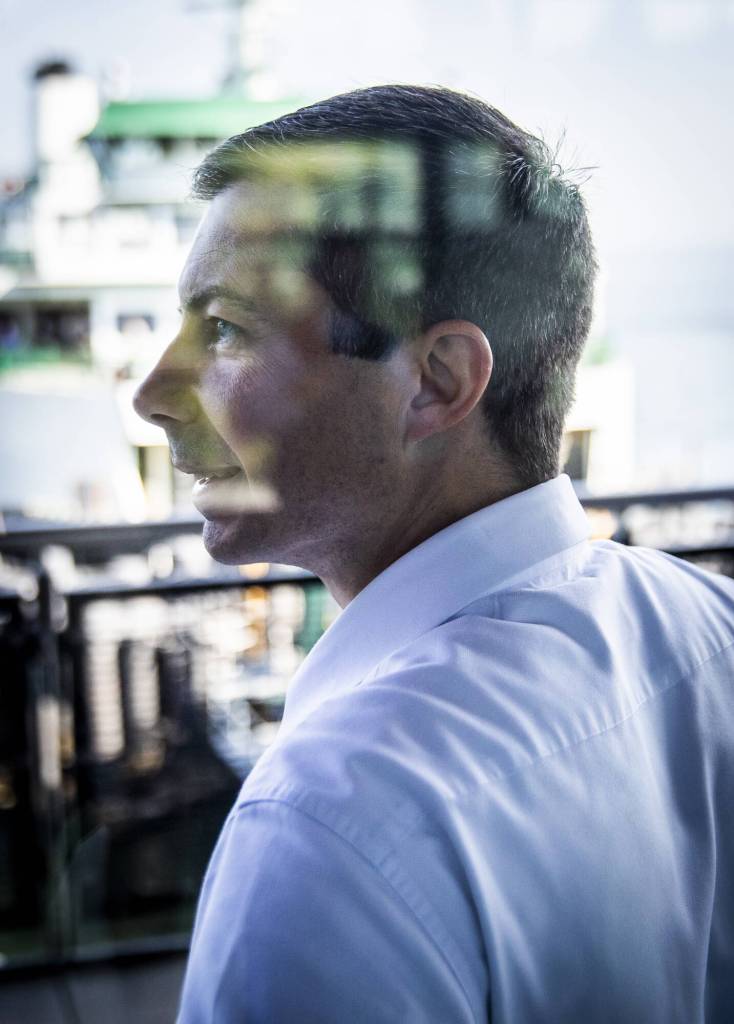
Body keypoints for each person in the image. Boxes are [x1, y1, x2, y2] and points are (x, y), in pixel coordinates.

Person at [132, 85, 734, 1023]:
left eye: (224, 330)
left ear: (436, 382)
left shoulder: (325, 828)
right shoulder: (709, 626)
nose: (153, 394)